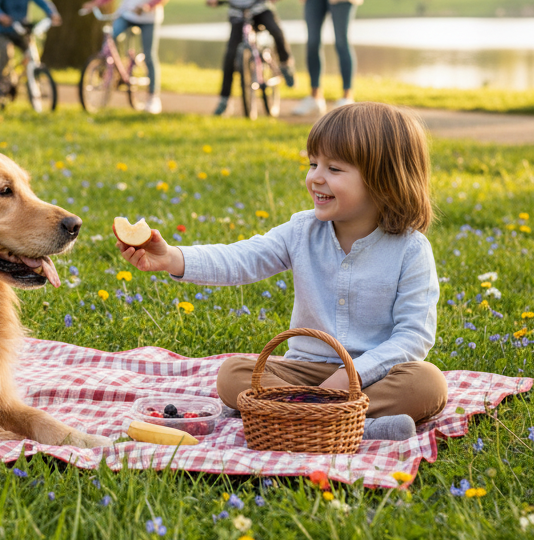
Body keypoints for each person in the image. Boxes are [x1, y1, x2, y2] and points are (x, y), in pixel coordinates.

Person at [115, 102, 447, 441]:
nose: (315, 177)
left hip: (373, 378)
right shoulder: (301, 231)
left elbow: (412, 338)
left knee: (427, 383)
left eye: (334, 168)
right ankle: (354, 424)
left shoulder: (410, 250)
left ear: (384, 182)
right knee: (232, 375)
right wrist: (172, 257)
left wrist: (354, 376)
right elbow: (240, 258)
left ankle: (291, 416)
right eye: (313, 163)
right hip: (302, 372)